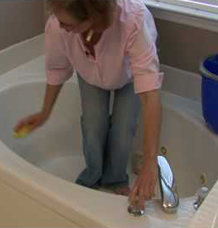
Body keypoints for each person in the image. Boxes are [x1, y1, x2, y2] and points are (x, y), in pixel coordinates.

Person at [15, 0, 163, 210]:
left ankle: (115, 179)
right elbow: (57, 68)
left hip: (129, 76)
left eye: (69, 24)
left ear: (92, 18)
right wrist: (44, 113)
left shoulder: (134, 21)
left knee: (123, 129)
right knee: (93, 125)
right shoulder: (58, 26)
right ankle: (93, 175)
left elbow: (150, 95)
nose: (61, 25)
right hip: (90, 73)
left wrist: (150, 161)